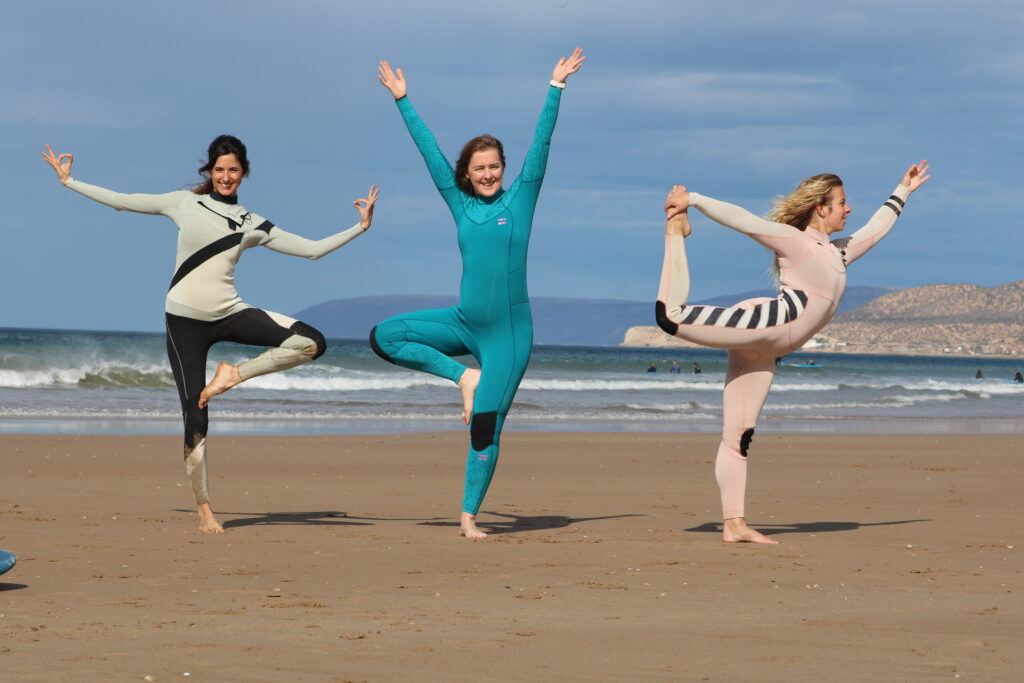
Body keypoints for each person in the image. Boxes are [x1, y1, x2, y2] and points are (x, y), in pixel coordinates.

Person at [42, 137, 380, 534]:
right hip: (183, 320)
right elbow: (123, 200)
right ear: (210, 171)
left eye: (233, 170)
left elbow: (311, 250)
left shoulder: (254, 223)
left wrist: (359, 227)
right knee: (195, 414)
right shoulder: (184, 203)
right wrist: (70, 181)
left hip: (229, 311)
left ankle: (233, 375)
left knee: (312, 342)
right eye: (219, 169)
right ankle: (204, 509)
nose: (225, 176)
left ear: (243, 173)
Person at [370, 49, 586, 539]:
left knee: (485, 427)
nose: (487, 174)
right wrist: (403, 101)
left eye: (494, 166)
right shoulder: (460, 205)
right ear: (465, 173)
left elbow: (541, 144)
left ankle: (468, 517)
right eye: (478, 168)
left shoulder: (521, 197)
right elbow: (429, 154)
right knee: (385, 336)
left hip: (508, 335)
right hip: (465, 320)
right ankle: (461, 377)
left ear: (503, 169)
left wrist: (555, 88)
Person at [656, 161, 931, 543]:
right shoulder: (795, 240)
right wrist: (694, 200)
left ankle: (734, 525)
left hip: (766, 351)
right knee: (669, 316)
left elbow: (875, 229)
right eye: (842, 203)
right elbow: (745, 221)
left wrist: (903, 190)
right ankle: (675, 230)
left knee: (739, 436)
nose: (849, 210)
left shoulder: (837, 254)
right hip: (767, 324)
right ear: (821, 207)